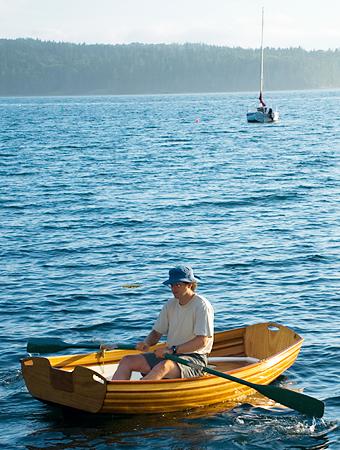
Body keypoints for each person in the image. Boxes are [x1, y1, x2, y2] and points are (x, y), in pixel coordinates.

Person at [109, 265, 214, 381]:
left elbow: (202, 341)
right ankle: (116, 392)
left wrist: (172, 350)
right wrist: (146, 343)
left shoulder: (202, 306)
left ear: (190, 285)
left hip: (195, 360)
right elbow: (156, 333)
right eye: (172, 285)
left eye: (178, 285)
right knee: (127, 361)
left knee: (163, 366)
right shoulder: (170, 304)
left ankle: (137, 393)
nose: (174, 289)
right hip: (171, 354)